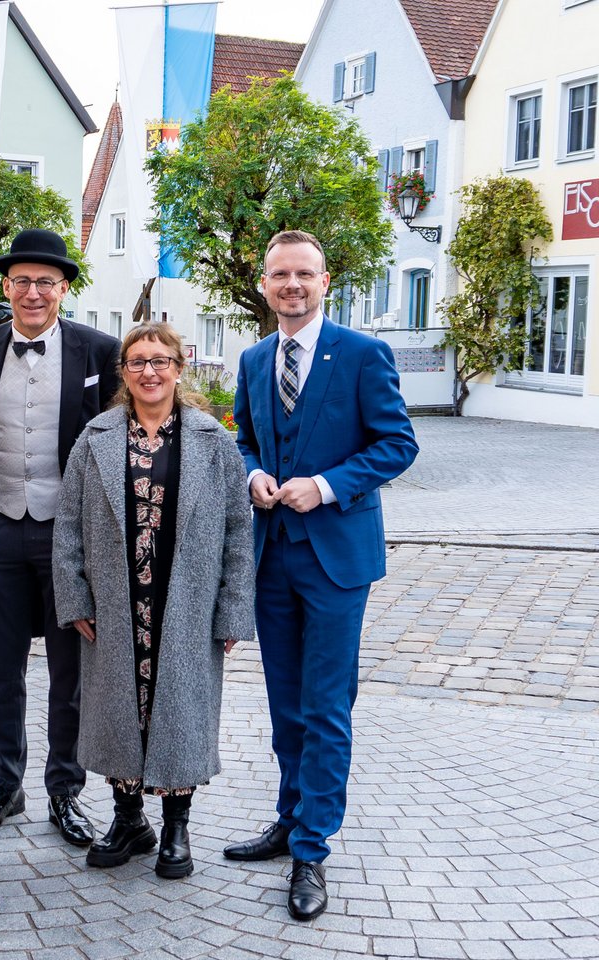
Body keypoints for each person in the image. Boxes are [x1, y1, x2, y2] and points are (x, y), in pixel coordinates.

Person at [228, 230, 418, 921]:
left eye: (303, 274)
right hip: (272, 553)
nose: (292, 286)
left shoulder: (364, 355)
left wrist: (328, 485)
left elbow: (398, 443)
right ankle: (288, 818)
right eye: (280, 275)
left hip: (337, 558)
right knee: (286, 705)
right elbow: (246, 433)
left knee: (328, 706)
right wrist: (252, 472)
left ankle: (313, 848)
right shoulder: (253, 358)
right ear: (265, 283)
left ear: (325, 280)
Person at [53, 323, 254, 878]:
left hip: (183, 603)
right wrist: (73, 597)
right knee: (120, 712)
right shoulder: (96, 437)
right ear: (123, 372)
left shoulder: (212, 442)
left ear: (179, 367)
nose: (150, 371)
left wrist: (233, 608)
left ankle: (175, 828)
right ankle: (128, 820)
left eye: (161, 360)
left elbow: (239, 529)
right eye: (138, 361)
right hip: (117, 605)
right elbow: (68, 525)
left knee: (179, 714)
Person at [0, 228, 121, 847]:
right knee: (2, 667)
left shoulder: (99, 352)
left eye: (46, 282)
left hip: (68, 532)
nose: (33, 293)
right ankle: (5, 786)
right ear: (6, 286)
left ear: (64, 289)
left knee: (69, 669)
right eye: (23, 281)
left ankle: (65, 790)